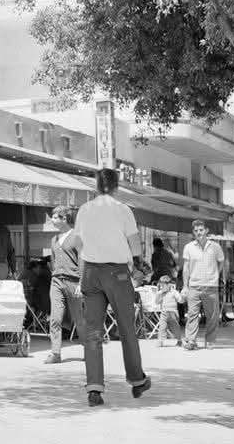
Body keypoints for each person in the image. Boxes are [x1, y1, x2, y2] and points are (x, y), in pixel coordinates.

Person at [73, 168, 151, 407]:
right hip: (117, 273)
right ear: (117, 187)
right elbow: (135, 246)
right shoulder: (123, 209)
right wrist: (136, 266)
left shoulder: (84, 210)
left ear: (96, 186)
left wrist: (84, 271)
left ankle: (94, 388)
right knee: (126, 328)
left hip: (90, 272)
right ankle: (137, 380)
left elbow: (78, 244)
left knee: (93, 332)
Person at [45, 206, 85, 364]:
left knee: (79, 318)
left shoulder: (77, 237)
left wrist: (81, 282)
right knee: (55, 318)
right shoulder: (53, 239)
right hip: (56, 281)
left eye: (55, 217)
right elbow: (53, 261)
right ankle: (55, 353)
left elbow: (82, 259)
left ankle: (89, 350)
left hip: (73, 281)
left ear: (64, 219)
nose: (52, 220)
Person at [182, 219, 225, 351]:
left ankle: (210, 340)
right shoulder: (188, 247)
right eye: (196, 230)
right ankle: (191, 340)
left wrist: (216, 274)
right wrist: (185, 286)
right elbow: (186, 268)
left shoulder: (215, 247)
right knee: (192, 314)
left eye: (201, 230)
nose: (199, 232)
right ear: (193, 232)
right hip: (194, 286)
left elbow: (221, 262)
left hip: (211, 286)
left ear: (206, 230)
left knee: (212, 316)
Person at [156, 275, 184, 347]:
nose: (161, 287)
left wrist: (183, 297)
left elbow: (180, 300)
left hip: (173, 312)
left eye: (163, 286)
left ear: (169, 285)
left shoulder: (174, 292)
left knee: (175, 327)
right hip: (164, 312)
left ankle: (179, 340)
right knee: (162, 327)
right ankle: (160, 341)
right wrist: (158, 295)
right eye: (160, 286)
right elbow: (157, 302)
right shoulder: (161, 293)